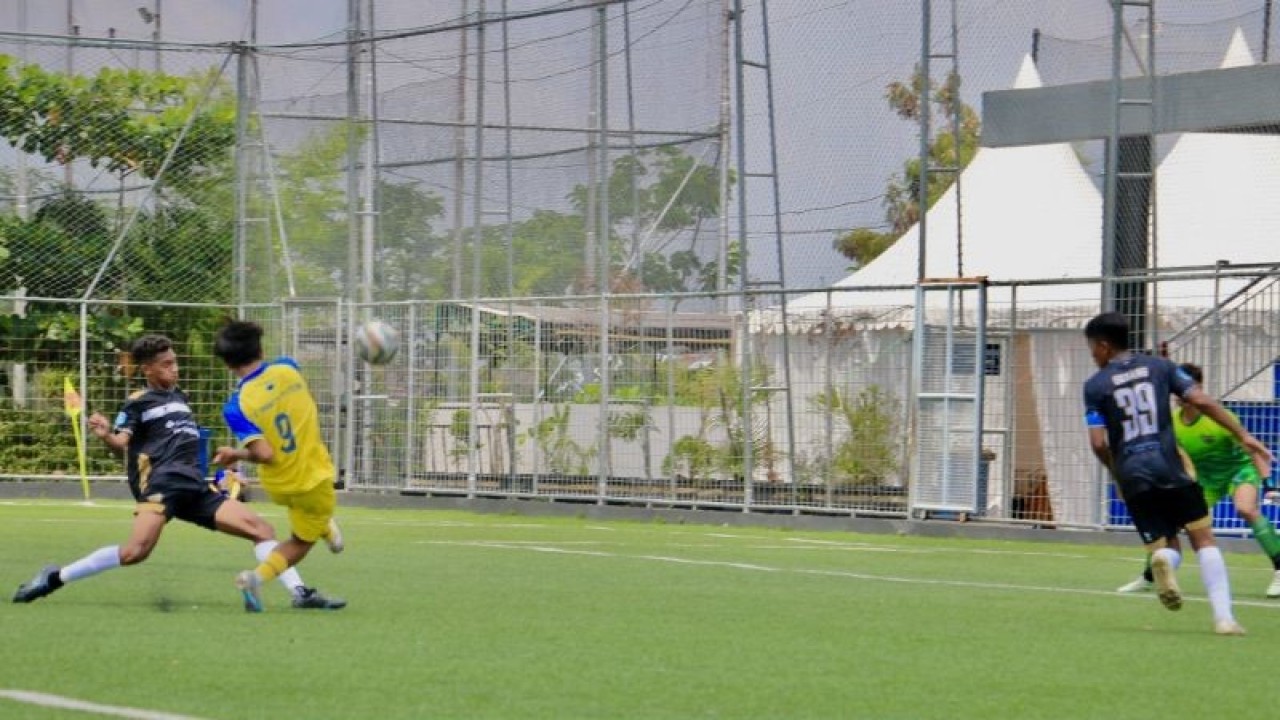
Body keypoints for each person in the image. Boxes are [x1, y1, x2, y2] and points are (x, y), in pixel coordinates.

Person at [12, 334, 343, 610]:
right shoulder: (137, 402)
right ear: (148, 369)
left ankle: (300, 593)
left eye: (175, 361)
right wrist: (105, 435)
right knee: (135, 552)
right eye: (167, 364)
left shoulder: (182, 397)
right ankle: (53, 577)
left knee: (261, 528)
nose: (175, 368)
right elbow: (121, 444)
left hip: (194, 486)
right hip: (161, 486)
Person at [1083, 312, 1272, 635]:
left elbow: (1098, 443)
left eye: (1091, 348)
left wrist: (1118, 475)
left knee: (1168, 542)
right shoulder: (1161, 367)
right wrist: (1244, 435)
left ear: (1102, 346)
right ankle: (1224, 618)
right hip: (1170, 465)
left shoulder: (1095, 386)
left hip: (1133, 473)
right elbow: (1201, 400)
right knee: (1204, 539)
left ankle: (1166, 561)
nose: (1092, 355)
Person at [212, 320, 346, 613]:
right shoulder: (288, 368)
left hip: (278, 485)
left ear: (227, 363)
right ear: (260, 348)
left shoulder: (235, 406)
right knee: (299, 543)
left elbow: (263, 453)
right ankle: (255, 579)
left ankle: (324, 524)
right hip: (312, 479)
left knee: (311, 515)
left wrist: (236, 454)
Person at [1116, 362, 1280, 597]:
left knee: (1245, 508)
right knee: (1170, 522)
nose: (1181, 395)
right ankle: (1149, 577)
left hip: (1238, 471)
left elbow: (1252, 449)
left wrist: (1269, 484)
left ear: (1199, 387)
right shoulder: (1171, 422)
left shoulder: (1220, 419)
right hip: (1205, 480)